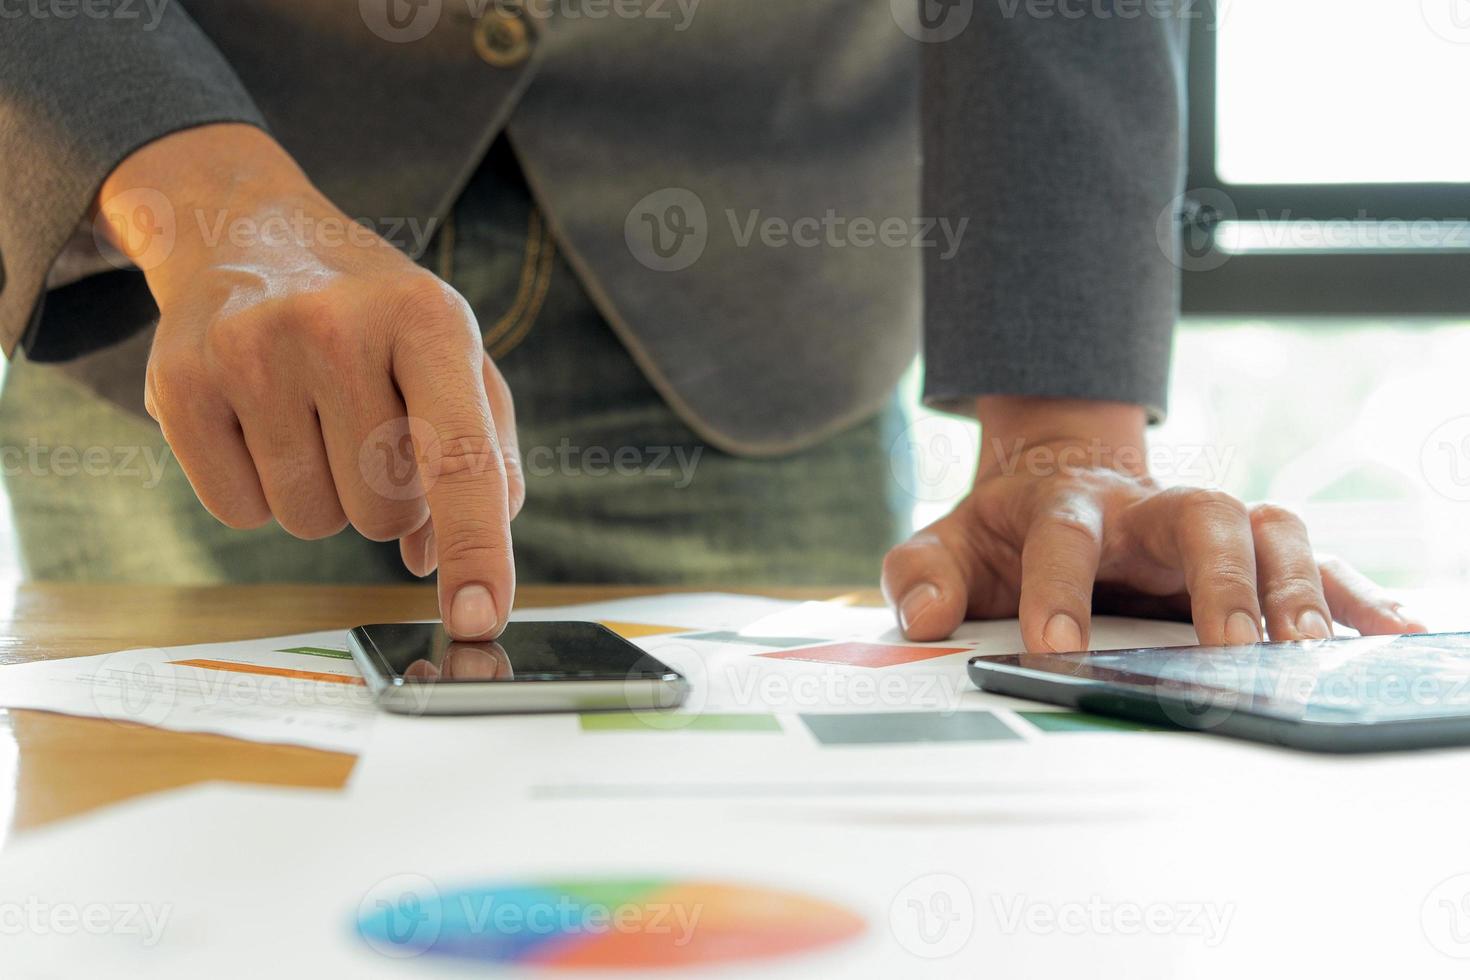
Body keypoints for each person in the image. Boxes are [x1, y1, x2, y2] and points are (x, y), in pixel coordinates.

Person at [0, 3, 1423, 646]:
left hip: (759, 262)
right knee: (204, 892)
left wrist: (1066, 430)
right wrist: (191, 193)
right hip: (172, 233)